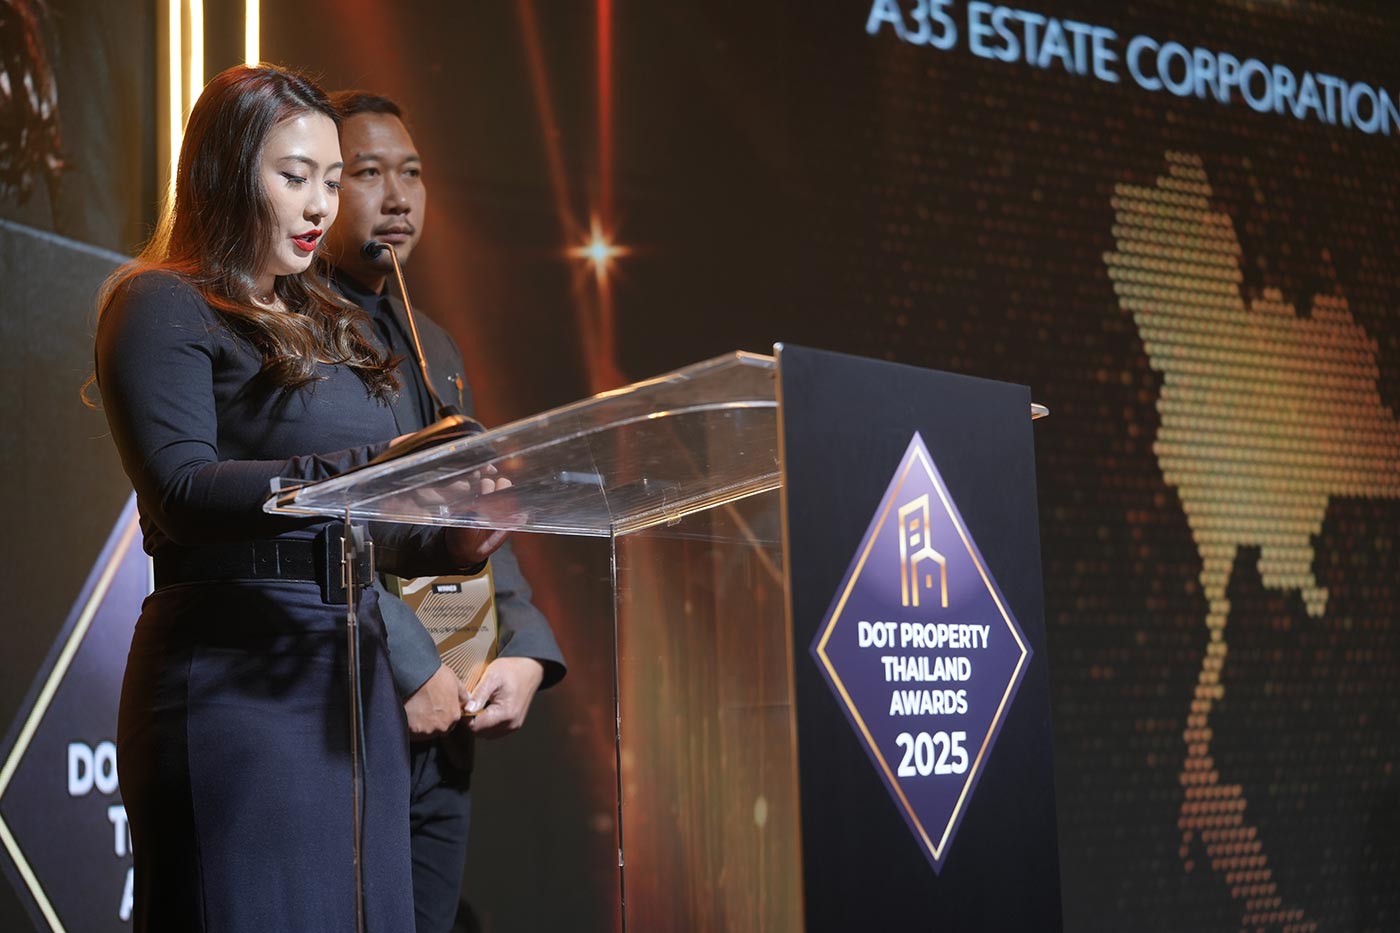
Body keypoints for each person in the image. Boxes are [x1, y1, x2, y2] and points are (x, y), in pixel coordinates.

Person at [92, 64, 509, 932]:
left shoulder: (330, 322)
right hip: (237, 676)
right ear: (224, 173)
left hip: (348, 676)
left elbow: (361, 522)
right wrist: (371, 466)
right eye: (295, 177)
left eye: (330, 179)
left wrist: (450, 538)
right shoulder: (161, 303)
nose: (320, 204)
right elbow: (180, 489)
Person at [321, 90, 566, 933]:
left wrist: (524, 648)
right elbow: (322, 525)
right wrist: (407, 661)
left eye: (413, 174)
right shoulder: (292, 330)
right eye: (369, 173)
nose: (398, 197)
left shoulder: (435, 343)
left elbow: (481, 509)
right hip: (349, 704)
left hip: (447, 713)